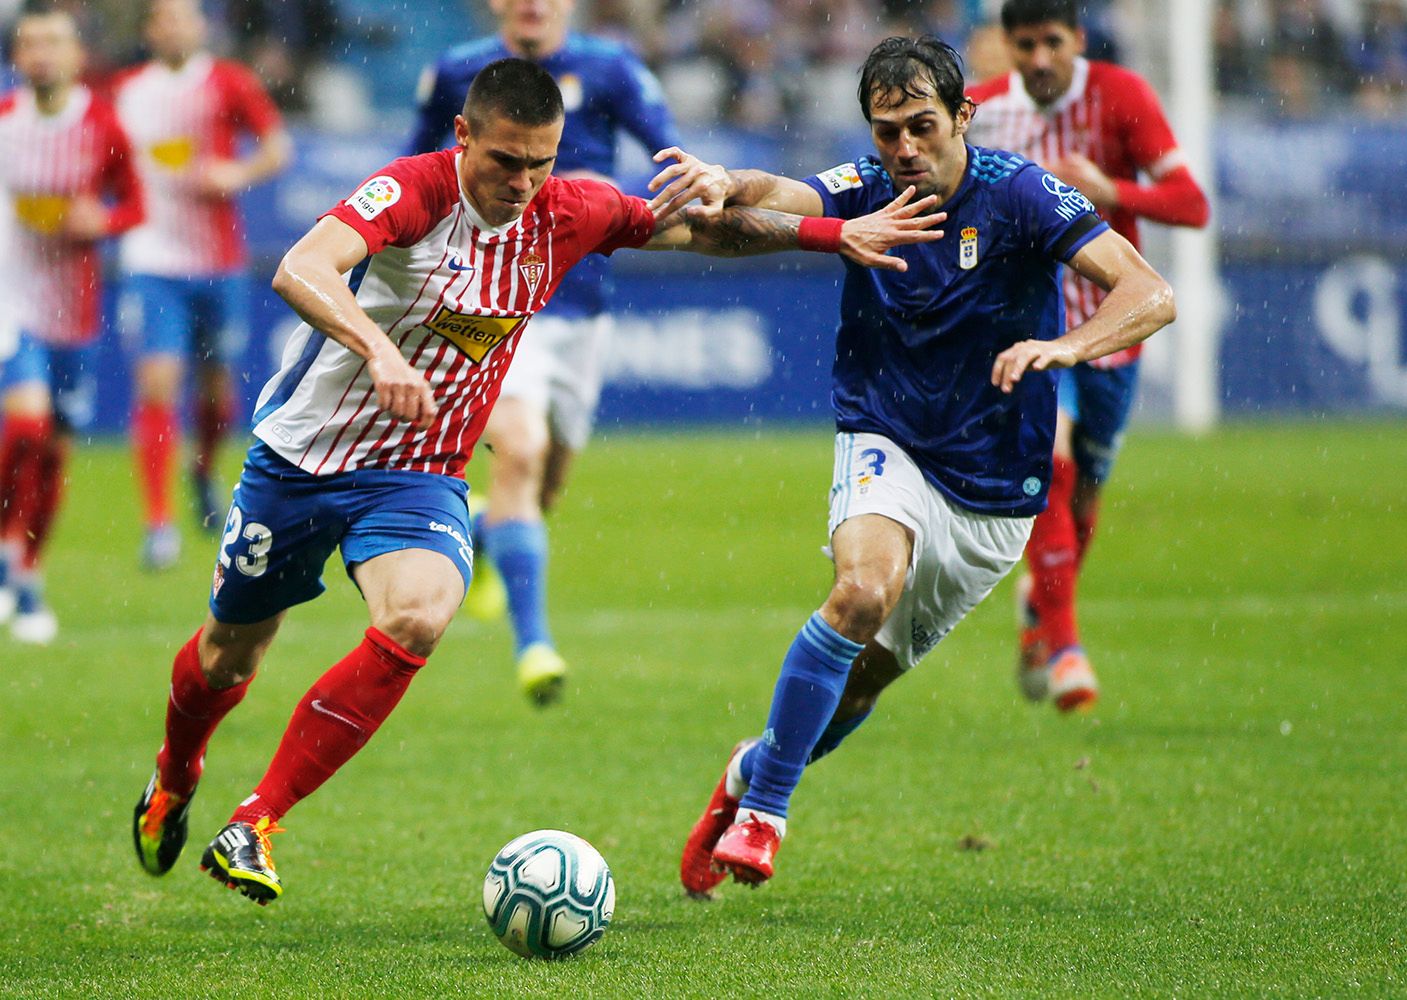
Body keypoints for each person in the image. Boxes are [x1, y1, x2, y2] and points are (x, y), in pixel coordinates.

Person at [129, 56, 944, 904]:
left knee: (417, 615)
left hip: (418, 469)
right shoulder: (412, 191)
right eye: (505, 161)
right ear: (463, 136)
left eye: (541, 162)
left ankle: (255, 821)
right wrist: (378, 352)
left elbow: (700, 231)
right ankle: (176, 774)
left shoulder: (571, 209)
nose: (523, 183)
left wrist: (827, 235)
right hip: (299, 461)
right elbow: (301, 266)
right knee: (230, 656)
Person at [666, 34, 1175, 894]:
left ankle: (749, 774)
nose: (903, 149)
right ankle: (768, 814)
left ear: (963, 116)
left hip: (994, 495)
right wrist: (726, 183)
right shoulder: (864, 190)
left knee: (857, 686)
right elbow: (768, 200)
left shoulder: (1019, 195)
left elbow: (1149, 292)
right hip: (886, 437)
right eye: (885, 130)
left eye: (921, 126)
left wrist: (1066, 346)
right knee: (861, 591)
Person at [409, 0, 680, 706]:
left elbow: (669, 154)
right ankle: (534, 645)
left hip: (582, 306)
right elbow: (413, 166)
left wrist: (620, 200)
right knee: (520, 453)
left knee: (545, 483)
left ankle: (481, 529)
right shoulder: (459, 72)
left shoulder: (611, 68)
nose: (533, 5)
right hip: (496, 301)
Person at [966, 0, 1209, 711]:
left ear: (1076, 39)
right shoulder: (979, 111)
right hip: (1031, 325)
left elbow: (1191, 204)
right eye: (1024, 45)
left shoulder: (1121, 96)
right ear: (1006, 45)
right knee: (1054, 465)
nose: (1038, 59)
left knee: (1087, 490)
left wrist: (1114, 191)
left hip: (1109, 327)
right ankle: (1068, 646)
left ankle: (1040, 619)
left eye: (1051, 43)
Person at [113, 0, 292, 570]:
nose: (175, 28)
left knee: (216, 393)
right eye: (164, 19)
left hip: (218, 262)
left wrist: (236, 172)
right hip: (150, 259)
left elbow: (276, 147)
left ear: (199, 27)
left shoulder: (227, 82)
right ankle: (158, 523)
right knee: (159, 382)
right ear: (149, 31)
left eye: (185, 18)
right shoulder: (125, 91)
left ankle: (202, 469)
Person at [0, 8, 144, 644]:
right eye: (30, 43)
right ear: (16, 57)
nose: (41, 54)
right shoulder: (4, 123)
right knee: (26, 423)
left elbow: (134, 203)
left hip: (74, 309)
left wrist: (102, 223)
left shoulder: (101, 125)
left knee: (54, 447)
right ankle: (5, 546)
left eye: (53, 42)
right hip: (12, 300)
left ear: (76, 54)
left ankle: (29, 572)